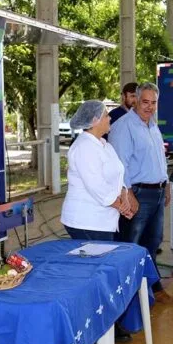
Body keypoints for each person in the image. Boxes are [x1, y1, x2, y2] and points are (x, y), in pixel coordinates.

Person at [108, 82, 173, 303]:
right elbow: (120, 164)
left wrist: (165, 185)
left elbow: (159, 159)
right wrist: (128, 194)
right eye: (145, 102)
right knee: (131, 246)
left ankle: (152, 291)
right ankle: (127, 300)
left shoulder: (152, 125)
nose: (149, 107)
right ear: (135, 99)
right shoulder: (124, 126)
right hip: (138, 193)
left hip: (156, 193)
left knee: (152, 244)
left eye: (153, 102)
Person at [61, 100, 137, 241]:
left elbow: (118, 176)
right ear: (95, 120)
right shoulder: (84, 147)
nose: (110, 118)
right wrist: (123, 207)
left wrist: (124, 193)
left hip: (102, 221)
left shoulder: (104, 145)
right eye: (106, 115)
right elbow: (97, 187)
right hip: (87, 222)